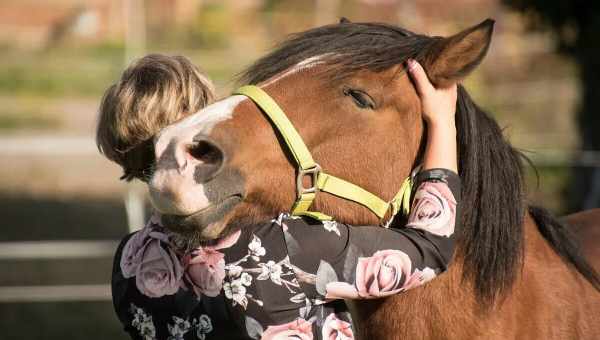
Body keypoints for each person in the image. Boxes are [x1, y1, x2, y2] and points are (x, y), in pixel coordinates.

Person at [97, 55, 459, 340]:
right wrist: (443, 121)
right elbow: (431, 247)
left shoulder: (128, 264)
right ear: (202, 126)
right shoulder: (281, 247)